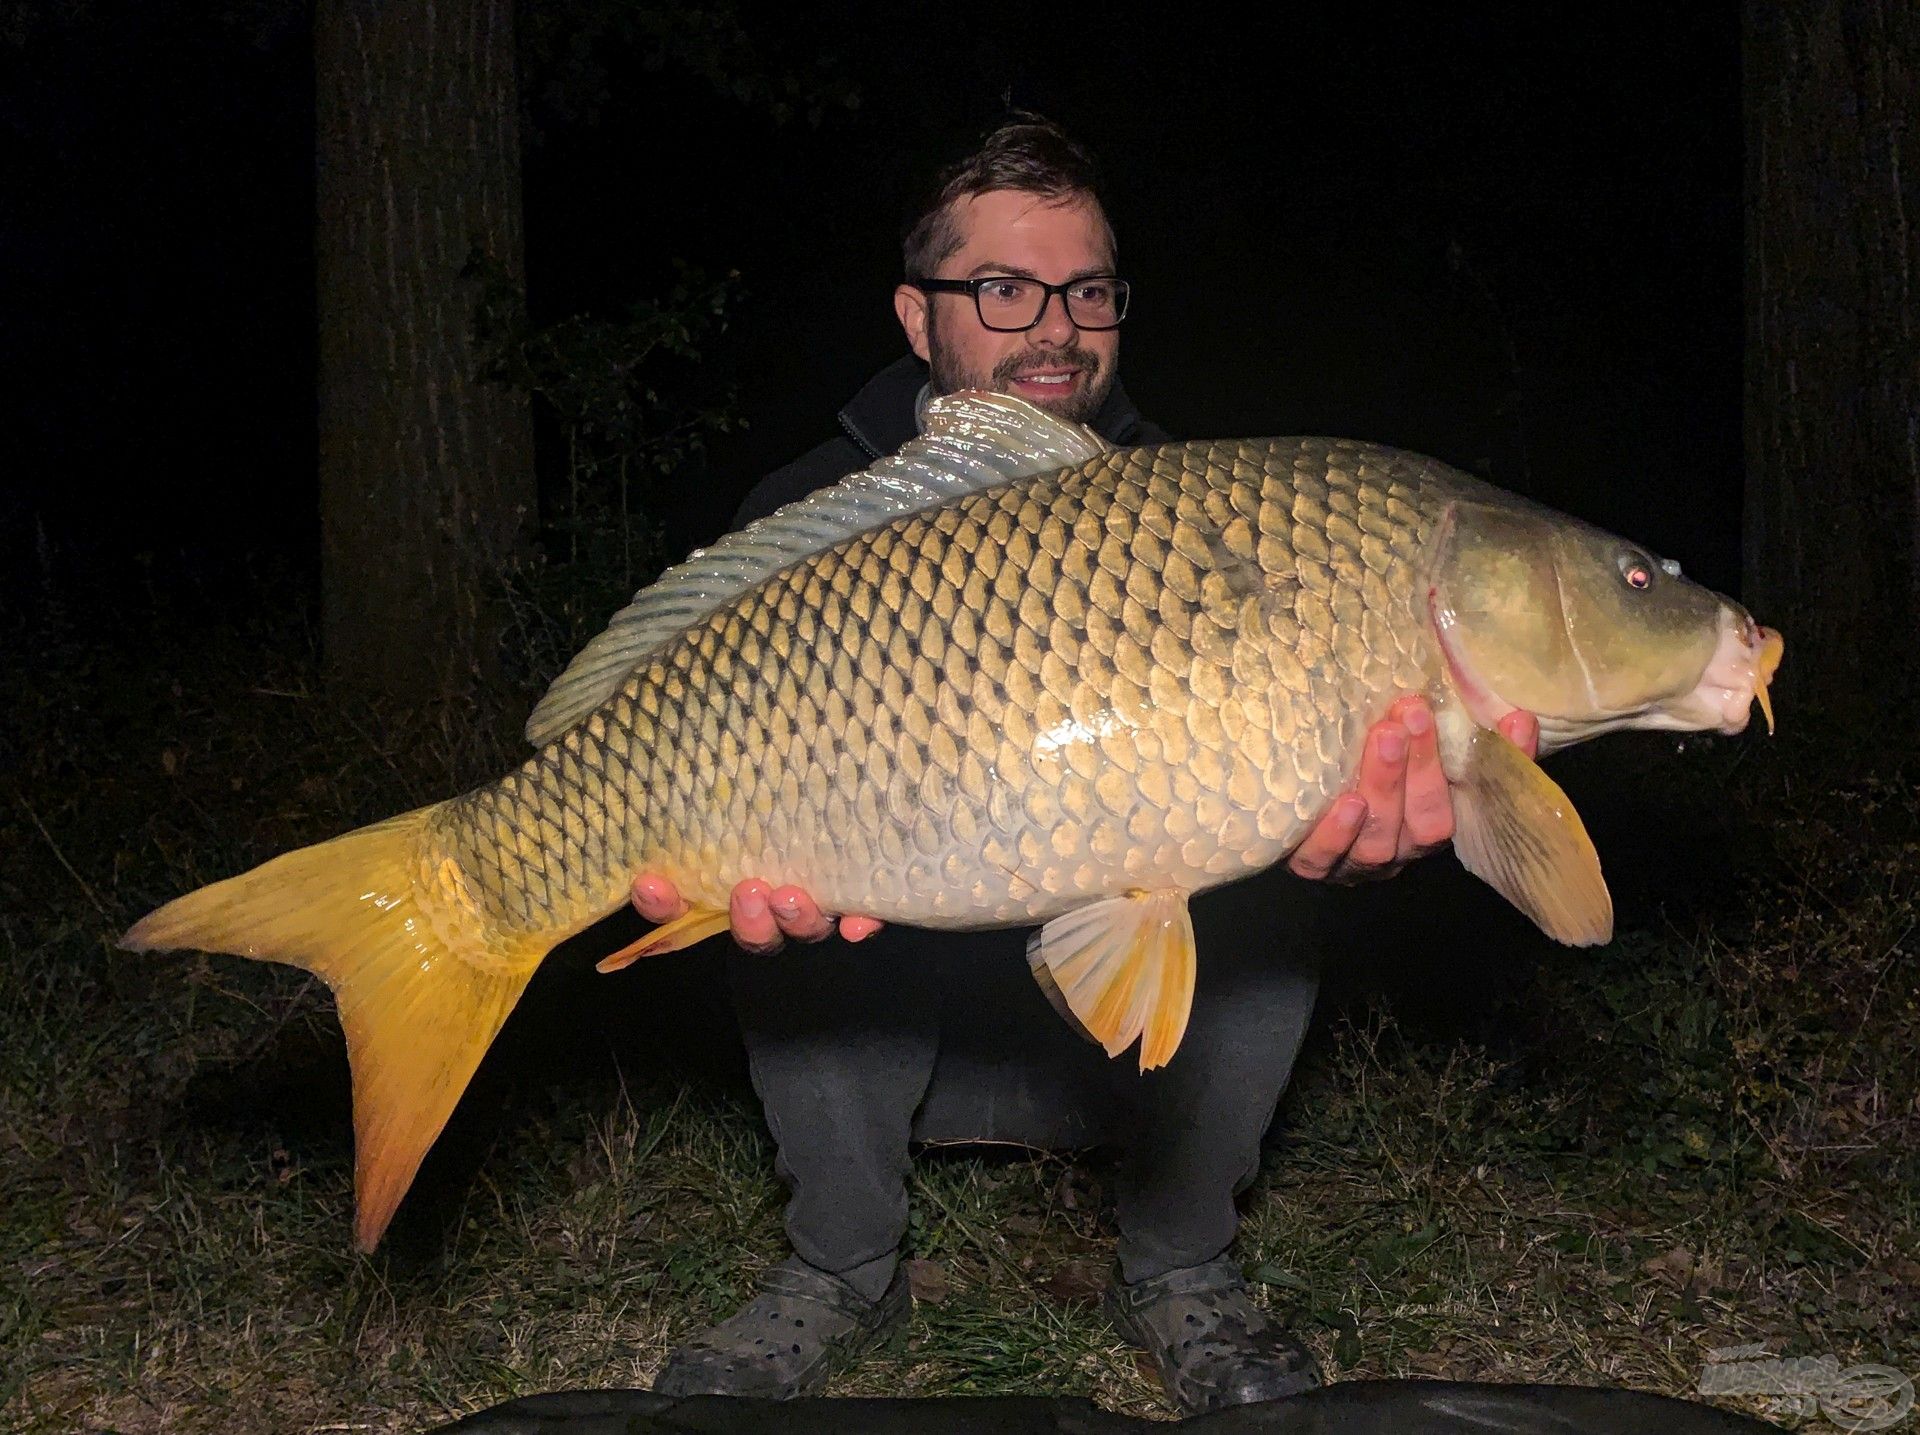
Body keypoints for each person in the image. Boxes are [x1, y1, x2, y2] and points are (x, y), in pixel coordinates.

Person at [630, 117, 1539, 1415]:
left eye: (1090, 289)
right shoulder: (803, 517)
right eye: (1004, 289)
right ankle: (840, 1266)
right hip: (898, 1027)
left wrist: (1352, 827)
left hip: (1118, 1051)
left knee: (1260, 886)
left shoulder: (1198, 508)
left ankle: (1184, 1268)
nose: (1057, 326)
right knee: (780, 904)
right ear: (916, 312)